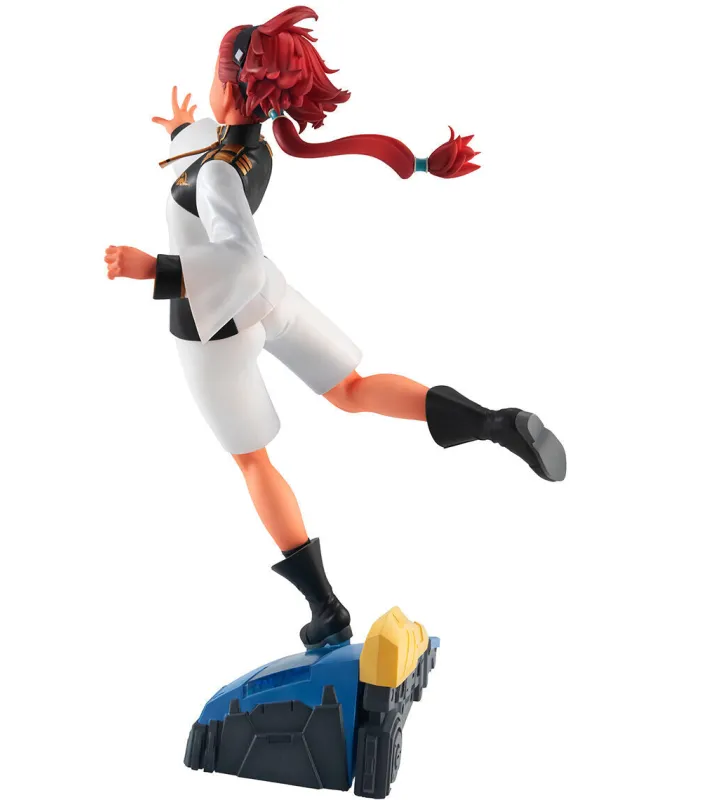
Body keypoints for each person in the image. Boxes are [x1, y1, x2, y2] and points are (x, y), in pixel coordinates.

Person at [105, 6, 566, 650]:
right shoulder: (249, 148)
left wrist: (153, 268)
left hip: (211, 325)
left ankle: (326, 608)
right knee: (350, 388)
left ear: (232, 89)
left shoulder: (216, 171)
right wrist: (183, 126)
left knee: (253, 460)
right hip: (270, 297)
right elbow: (209, 149)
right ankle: (492, 422)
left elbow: (236, 252)